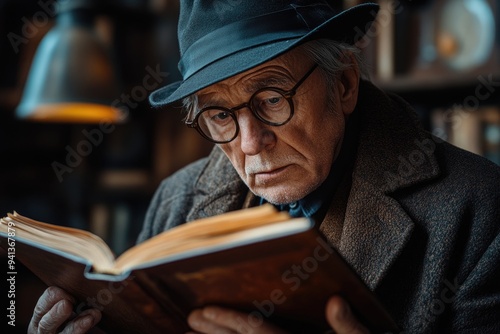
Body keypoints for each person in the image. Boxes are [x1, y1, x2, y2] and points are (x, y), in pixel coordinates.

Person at [28, 1, 500, 333]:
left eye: (273, 99)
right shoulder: (176, 200)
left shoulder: (481, 210)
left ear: (346, 85)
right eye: (218, 114)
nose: (251, 143)